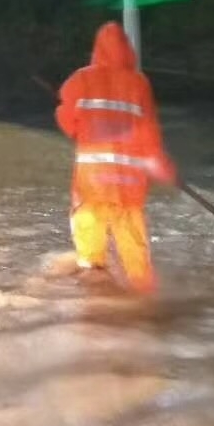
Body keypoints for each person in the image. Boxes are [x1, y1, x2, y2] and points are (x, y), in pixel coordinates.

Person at [55, 22, 178, 293]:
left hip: (91, 188)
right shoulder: (139, 83)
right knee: (137, 260)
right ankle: (147, 306)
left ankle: (96, 307)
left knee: (89, 259)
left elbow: (67, 123)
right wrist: (164, 167)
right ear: (127, 50)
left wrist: (78, 121)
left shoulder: (80, 79)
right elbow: (149, 135)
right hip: (129, 188)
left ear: (97, 49)